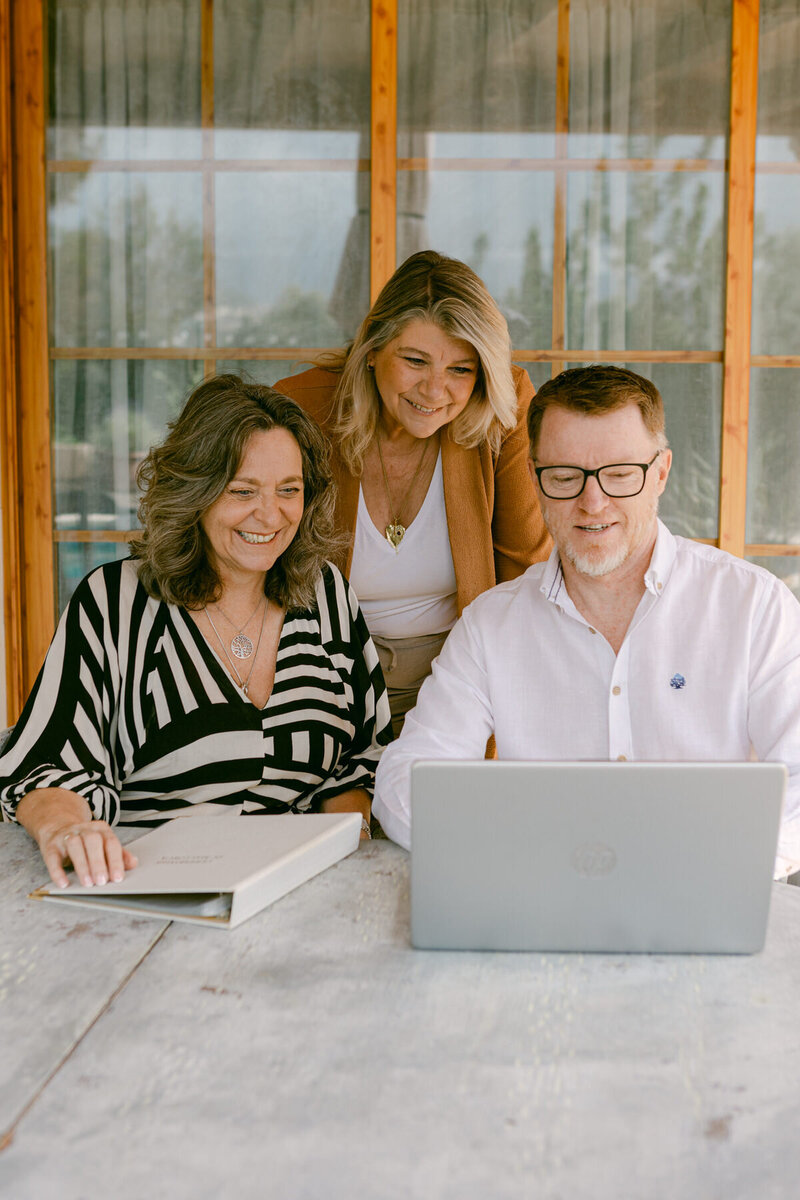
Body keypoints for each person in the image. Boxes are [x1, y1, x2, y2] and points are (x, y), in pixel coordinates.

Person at [372, 365, 800, 879]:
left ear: (660, 473)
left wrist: (703, 868)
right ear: (534, 479)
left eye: (619, 474)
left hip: (709, 890)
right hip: (539, 896)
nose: (592, 503)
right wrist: (510, 858)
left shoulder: (754, 606)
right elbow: (406, 779)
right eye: (565, 476)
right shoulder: (491, 625)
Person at [0, 376, 392, 889]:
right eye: (242, 490)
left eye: (289, 490)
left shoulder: (326, 594)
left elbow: (358, 763)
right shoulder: (115, 601)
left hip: (302, 891)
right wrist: (66, 828)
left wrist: (350, 847)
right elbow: (45, 766)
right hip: (150, 891)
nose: (270, 514)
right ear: (196, 492)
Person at [276, 250, 550, 736]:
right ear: (373, 348)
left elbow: (525, 570)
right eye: (415, 361)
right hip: (317, 680)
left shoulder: (502, 411)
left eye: (460, 370)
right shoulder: (301, 408)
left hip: (455, 682)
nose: (434, 390)